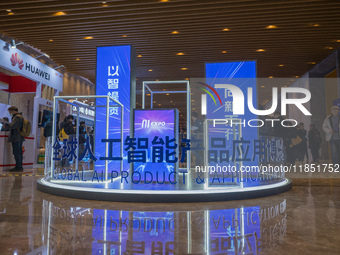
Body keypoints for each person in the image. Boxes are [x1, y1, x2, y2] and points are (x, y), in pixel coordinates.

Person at [6, 106, 25, 172]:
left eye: (10, 112)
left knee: (17, 153)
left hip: (16, 137)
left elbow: (13, 126)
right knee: (18, 153)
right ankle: (19, 166)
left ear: (13, 111)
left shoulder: (17, 117)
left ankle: (18, 167)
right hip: (19, 137)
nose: (10, 113)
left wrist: (6, 124)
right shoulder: (20, 117)